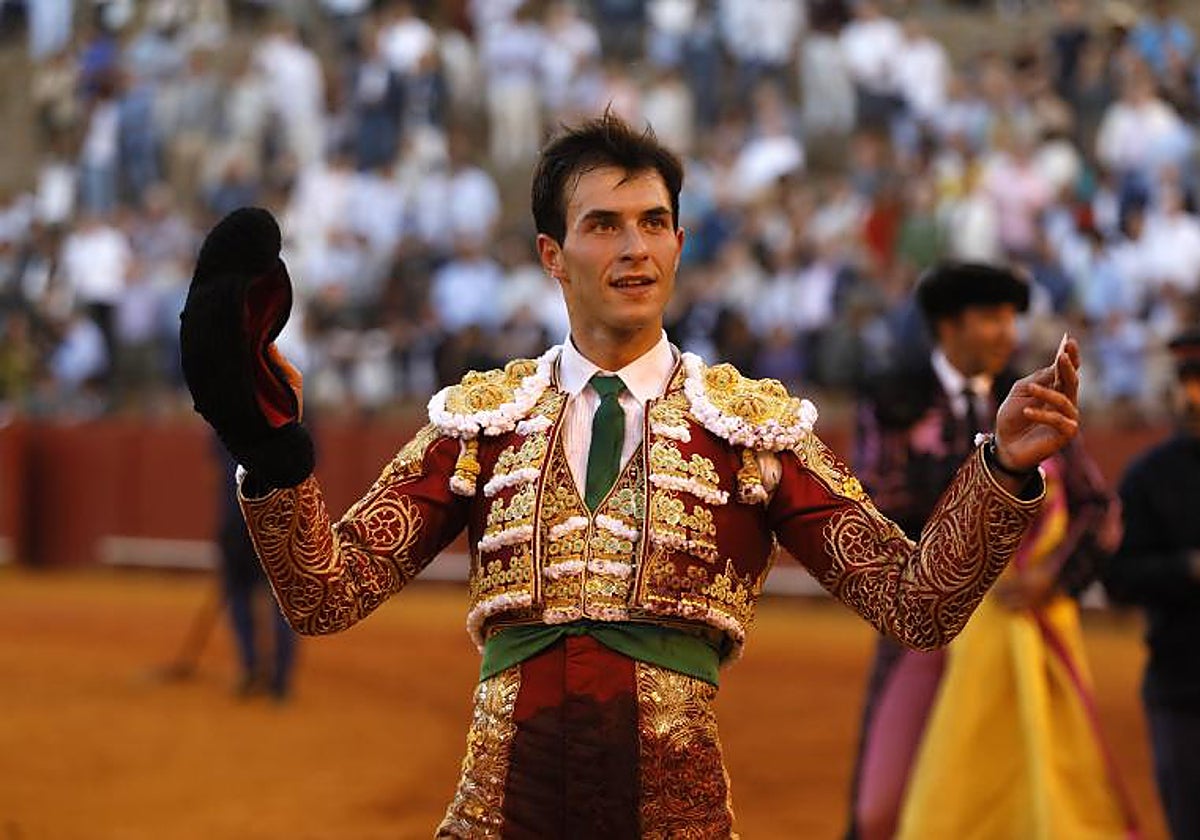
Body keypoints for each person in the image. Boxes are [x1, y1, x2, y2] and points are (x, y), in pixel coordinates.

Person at [179, 113, 1081, 836]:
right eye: (603, 225)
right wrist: (267, 450)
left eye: (654, 223)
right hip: (504, 810)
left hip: (673, 812)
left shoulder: (750, 428)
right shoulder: (482, 423)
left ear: (681, 244)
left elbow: (915, 604)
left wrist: (1000, 468)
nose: (635, 250)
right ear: (551, 254)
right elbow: (324, 594)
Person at [846, 263, 1133, 839]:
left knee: (1023, 798)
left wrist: (1051, 579)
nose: (1006, 332)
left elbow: (1099, 508)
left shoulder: (1027, 403)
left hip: (1018, 630)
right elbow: (874, 509)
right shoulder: (894, 403)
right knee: (883, 807)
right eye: (990, 317)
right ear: (947, 327)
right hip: (924, 630)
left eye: (1010, 318)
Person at [1102, 325, 1200, 840]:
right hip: (1182, 685)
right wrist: (1187, 569)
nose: (1193, 394)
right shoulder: (1148, 477)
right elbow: (1118, 578)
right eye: (1188, 379)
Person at [215, 444, 297, 701]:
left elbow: (218, 471)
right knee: (284, 603)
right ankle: (279, 681)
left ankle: (250, 666)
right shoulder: (296, 412)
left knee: (239, 595)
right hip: (279, 523)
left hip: (238, 522)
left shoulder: (226, 411)